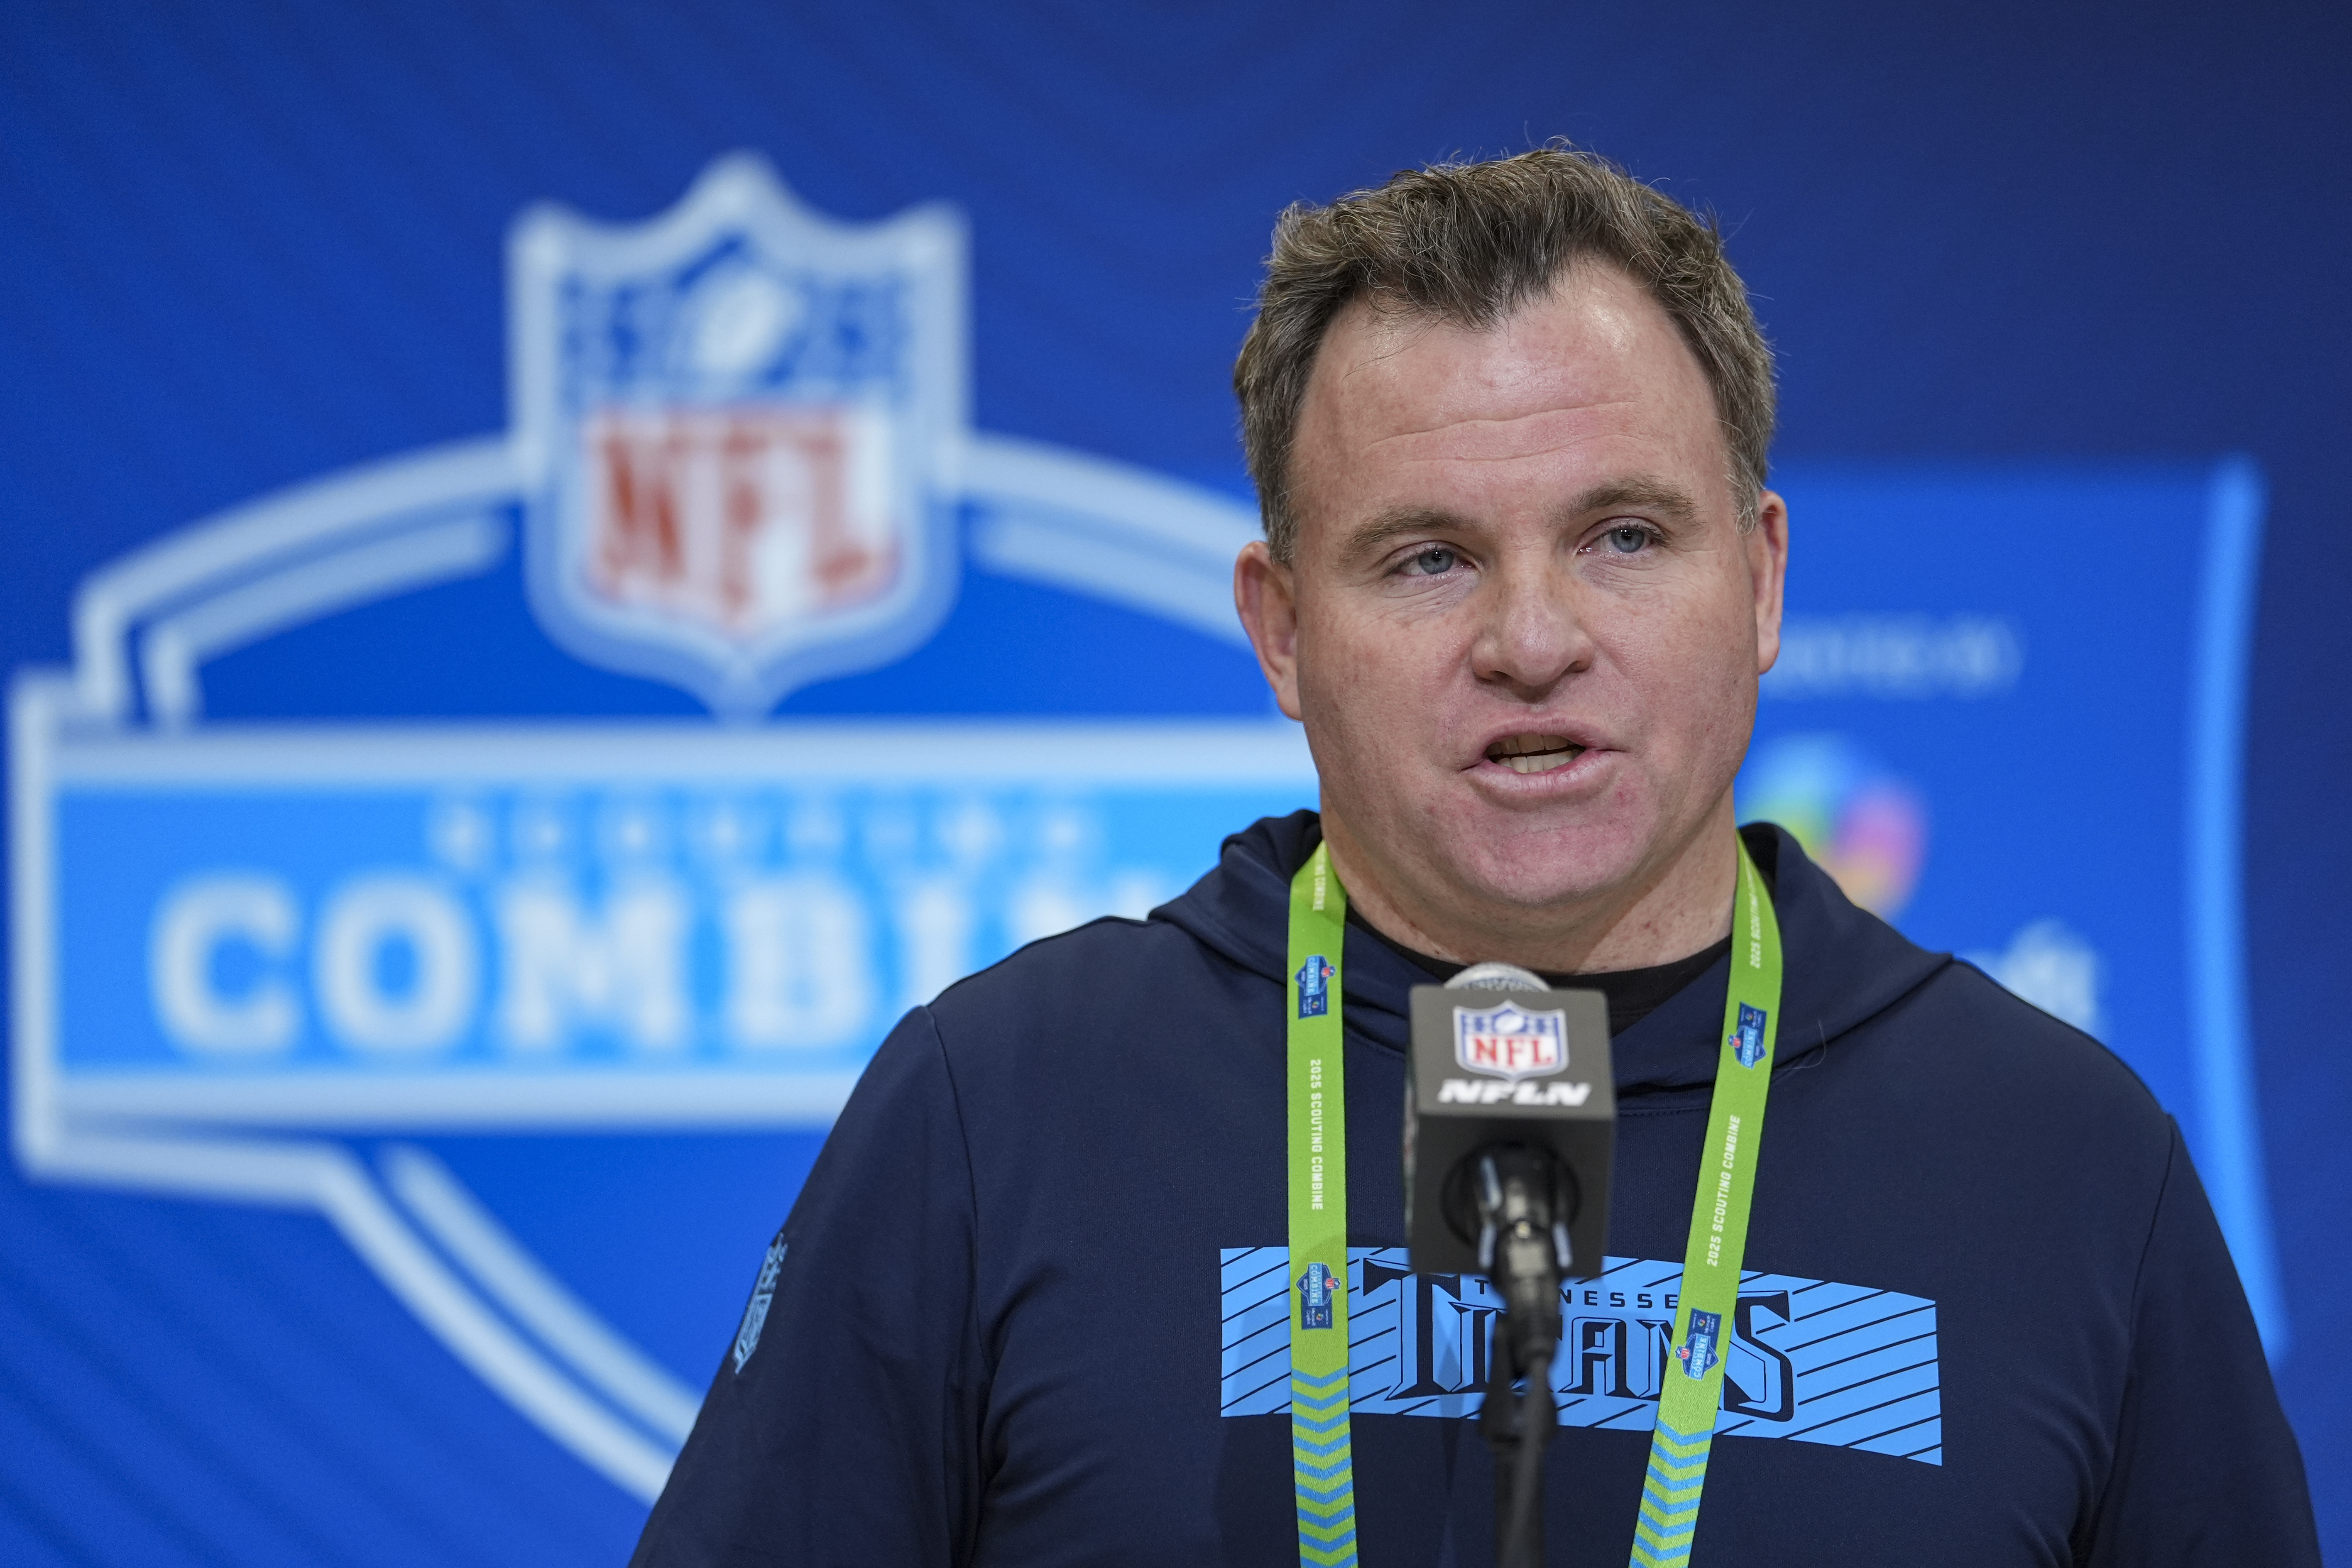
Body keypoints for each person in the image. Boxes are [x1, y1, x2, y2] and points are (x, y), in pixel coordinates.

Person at [631, 147, 2319, 1566]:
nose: (1531, 639)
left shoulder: (2064, 1161)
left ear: (1761, 582)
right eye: (1428, 558)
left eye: (1623, 537)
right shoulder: (998, 1110)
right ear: (1283, 632)